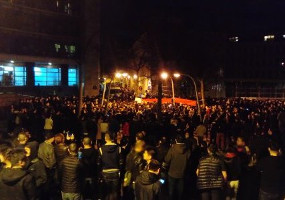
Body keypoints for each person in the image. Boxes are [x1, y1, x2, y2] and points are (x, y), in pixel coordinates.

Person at [164, 134, 191, 200]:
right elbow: (189, 161)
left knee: (171, 191)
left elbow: (167, 160)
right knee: (180, 191)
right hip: (182, 173)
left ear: (176, 140)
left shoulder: (172, 149)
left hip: (172, 173)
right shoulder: (187, 150)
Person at [98, 132, 123, 200]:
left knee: (106, 192)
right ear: (112, 138)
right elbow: (121, 162)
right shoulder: (118, 148)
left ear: (105, 138)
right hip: (115, 171)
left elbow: (99, 163)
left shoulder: (101, 149)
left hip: (105, 171)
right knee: (115, 191)